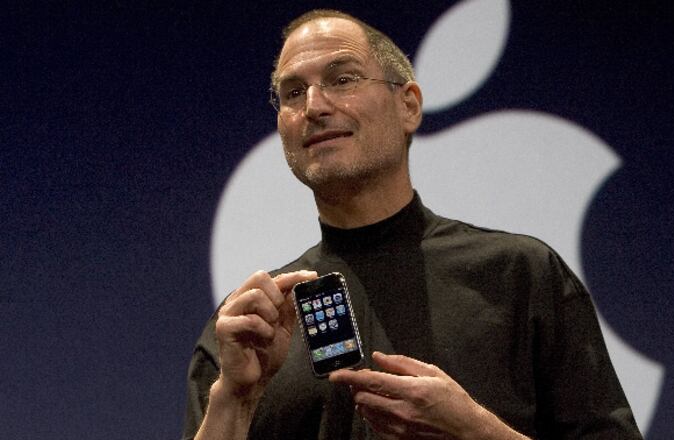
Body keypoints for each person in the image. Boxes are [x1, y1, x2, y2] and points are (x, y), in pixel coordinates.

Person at [182, 9, 642, 440]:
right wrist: (235, 399)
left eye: (342, 79)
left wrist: (475, 430)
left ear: (409, 106)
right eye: (293, 92)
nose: (315, 106)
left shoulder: (520, 275)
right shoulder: (251, 328)